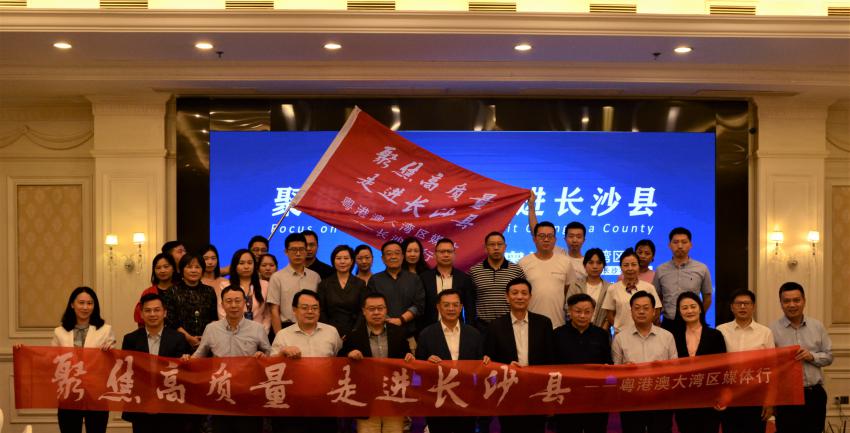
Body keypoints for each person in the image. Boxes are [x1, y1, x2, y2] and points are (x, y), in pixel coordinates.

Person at [188, 286, 270, 433]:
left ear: (245, 303)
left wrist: (263, 356)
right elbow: (199, 356)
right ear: (222, 304)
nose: (233, 305)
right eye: (229, 301)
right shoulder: (211, 328)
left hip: (248, 393)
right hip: (222, 393)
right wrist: (186, 360)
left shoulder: (257, 328)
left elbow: (270, 354)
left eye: (238, 301)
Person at [484, 278, 553, 433]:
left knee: (537, 428)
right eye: (515, 293)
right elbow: (490, 361)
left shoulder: (544, 323)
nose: (520, 297)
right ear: (507, 297)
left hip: (537, 388)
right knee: (510, 428)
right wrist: (506, 368)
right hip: (508, 388)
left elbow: (550, 358)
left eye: (524, 293)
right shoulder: (495, 326)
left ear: (530, 296)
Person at [270, 290, 342, 433]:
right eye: (305, 307)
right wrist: (282, 353)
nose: (310, 311)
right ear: (294, 310)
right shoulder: (283, 335)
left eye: (315, 308)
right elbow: (271, 367)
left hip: (324, 400)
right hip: (293, 402)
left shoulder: (332, 332)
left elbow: (337, 360)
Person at [343, 292, 415, 433]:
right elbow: (340, 363)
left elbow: (407, 362)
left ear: (386, 310)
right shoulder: (353, 336)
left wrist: (409, 357)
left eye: (380, 308)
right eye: (371, 309)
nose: (376, 312)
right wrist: (348, 355)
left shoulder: (399, 333)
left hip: (393, 399)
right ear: (364, 311)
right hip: (366, 402)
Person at [121, 293, 193, 433]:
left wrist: (186, 360)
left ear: (165, 313)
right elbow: (126, 371)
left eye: (157, 310)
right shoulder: (130, 339)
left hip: (170, 404)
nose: (152, 314)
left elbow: (184, 374)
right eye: (148, 310)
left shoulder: (178, 338)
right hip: (141, 404)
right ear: (141, 314)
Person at [416, 289, 484, 433]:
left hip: (467, 401)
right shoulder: (426, 334)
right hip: (437, 402)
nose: (451, 309)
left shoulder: (474, 334)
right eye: (446, 305)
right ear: (438, 307)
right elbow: (417, 372)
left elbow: (481, 370)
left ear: (461, 307)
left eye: (455, 305)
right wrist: (426, 363)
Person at [769, 282, 832, 433]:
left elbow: (829, 356)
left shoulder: (817, 326)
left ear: (804, 301)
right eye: (786, 301)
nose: (792, 305)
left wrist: (812, 356)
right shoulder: (771, 330)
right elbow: (770, 366)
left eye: (796, 300)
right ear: (781, 303)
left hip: (814, 394)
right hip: (786, 396)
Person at [611, 290, 677, 433]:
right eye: (637, 308)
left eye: (646, 308)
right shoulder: (620, 338)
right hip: (631, 400)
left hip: (660, 399)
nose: (641, 312)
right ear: (631, 312)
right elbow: (614, 373)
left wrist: (663, 369)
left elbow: (675, 370)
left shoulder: (667, 337)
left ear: (654, 312)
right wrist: (623, 370)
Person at [52, 287, 115, 433]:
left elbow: (112, 362)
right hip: (69, 392)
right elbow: (53, 360)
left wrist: (110, 351)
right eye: (81, 303)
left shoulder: (105, 330)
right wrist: (22, 350)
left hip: (96, 393)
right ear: (72, 304)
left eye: (90, 303)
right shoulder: (59, 332)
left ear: (94, 306)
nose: (85, 307)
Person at [664, 292, 726, 433]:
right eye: (684, 308)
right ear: (679, 311)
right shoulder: (673, 337)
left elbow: (723, 367)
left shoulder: (715, 335)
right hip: (683, 397)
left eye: (693, 306)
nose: (689, 311)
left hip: (709, 397)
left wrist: (721, 394)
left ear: (700, 309)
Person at [716, 289, 774, 433]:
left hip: (756, 395)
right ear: (732, 307)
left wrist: (770, 400)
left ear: (753, 306)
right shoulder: (721, 330)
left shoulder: (765, 332)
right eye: (738, 303)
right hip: (729, 395)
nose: (742, 307)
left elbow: (771, 368)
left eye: (746, 303)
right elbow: (715, 365)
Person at [553, 293, 612, 433]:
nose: (582, 316)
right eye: (578, 311)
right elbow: (551, 366)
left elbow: (608, 363)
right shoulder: (557, 334)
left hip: (595, 397)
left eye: (587, 312)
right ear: (569, 311)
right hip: (567, 397)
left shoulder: (601, 335)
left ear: (593, 312)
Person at [367, 241, 426, 345]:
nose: (393, 256)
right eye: (389, 254)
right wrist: (389, 321)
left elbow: (419, 305)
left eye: (397, 253)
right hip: (381, 336)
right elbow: (370, 305)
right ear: (383, 258)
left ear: (402, 257)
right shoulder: (375, 280)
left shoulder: (414, 279)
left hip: (409, 337)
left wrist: (401, 320)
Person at [518, 221, 575, 328]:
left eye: (550, 236)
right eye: (542, 236)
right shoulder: (523, 263)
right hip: (530, 325)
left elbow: (568, 291)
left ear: (555, 240)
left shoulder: (565, 262)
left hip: (558, 324)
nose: (546, 239)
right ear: (534, 239)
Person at [468, 231, 526, 335]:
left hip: (510, 325)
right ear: (485, 248)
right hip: (483, 327)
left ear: (505, 247)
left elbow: (524, 298)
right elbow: (470, 301)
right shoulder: (474, 271)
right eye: (492, 244)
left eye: (499, 244)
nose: (496, 248)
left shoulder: (516, 270)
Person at [267, 233, 321, 338]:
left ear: (306, 251)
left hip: (311, 328)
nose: (298, 253)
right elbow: (274, 310)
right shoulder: (277, 277)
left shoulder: (315, 277)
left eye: (301, 249)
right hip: (286, 327)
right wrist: (280, 337)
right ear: (286, 252)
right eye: (293, 250)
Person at [652, 227, 712, 322]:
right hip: (669, 321)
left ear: (690, 245)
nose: (680, 246)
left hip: (693, 321)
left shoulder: (702, 268)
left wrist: (700, 316)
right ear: (669, 245)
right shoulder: (660, 269)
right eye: (675, 242)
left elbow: (707, 297)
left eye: (684, 242)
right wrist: (657, 317)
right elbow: (657, 297)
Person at [527, 191, 587, 282]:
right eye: (571, 236)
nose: (574, 240)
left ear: (584, 240)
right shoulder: (557, 252)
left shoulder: (587, 263)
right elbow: (536, 231)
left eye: (578, 237)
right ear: (565, 239)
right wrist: (531, 206)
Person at [419, 238, 477, 330]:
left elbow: (470, 309)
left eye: (449, 251)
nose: (446, 255)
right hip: (429, 330)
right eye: (442, 252)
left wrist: (469, 330)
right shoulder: (424, 278)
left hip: (457, 330)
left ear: (454, 255)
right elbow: (420, 307)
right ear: (435, 255)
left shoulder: (464, 278)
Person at [165, 253, 218, 349]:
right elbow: (171, 321)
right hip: (178, 342)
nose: (193, 270)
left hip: (206, 342)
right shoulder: (172, 291)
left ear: (202, 270)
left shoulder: (209, 291)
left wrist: (205, 337)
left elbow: (213, 318)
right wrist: (189, 338)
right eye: (189, 267)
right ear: (182, 270)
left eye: (197, 267)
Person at [602, 248, 661, 334]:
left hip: (645, 333)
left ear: (638, 266)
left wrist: (645, 326)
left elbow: (657, 311)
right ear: (621, 267)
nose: (630, 268)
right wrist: (619, 328)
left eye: (633, 265)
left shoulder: (649, 287)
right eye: (626, 265)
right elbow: (609, 314)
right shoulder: (613, 288)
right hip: (621, 334)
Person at [318, 245, 368, 339]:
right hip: (329, 332)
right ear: (333, 261)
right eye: (338, 258)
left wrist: (354, 331)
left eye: (346, 258)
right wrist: (330, 331)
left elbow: (362, 311)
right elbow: (321, 310)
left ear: (352, 261)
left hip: (354, 332)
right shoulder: (324, 284)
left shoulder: (360, 284)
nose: (342, 262)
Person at [221, 249, 270, 333]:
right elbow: (222, 313)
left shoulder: (265, 285)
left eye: (250, 263)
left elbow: (268, 314)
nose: (246, 267)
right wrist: (234, 332)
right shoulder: (224, 285)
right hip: (232, 332)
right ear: (235, 266)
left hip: (259, 333)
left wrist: (263, 332)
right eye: (241, 263)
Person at [565, 248, 611, 329]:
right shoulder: (575, 285)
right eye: (591, 262)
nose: (595, 266)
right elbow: (567, 308)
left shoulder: (610, 288)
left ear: (603, 265)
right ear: (584, 265)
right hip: (576, 331)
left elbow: (610, 313)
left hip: (601, 331)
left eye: (599, 263)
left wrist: (602, 331)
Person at [133, 253, 179, 326]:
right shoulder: (148, 292)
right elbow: (141, 320)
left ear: (173, 268)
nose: (162, 270)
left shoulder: (180, 290)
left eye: (166, 266)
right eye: (158, 268)